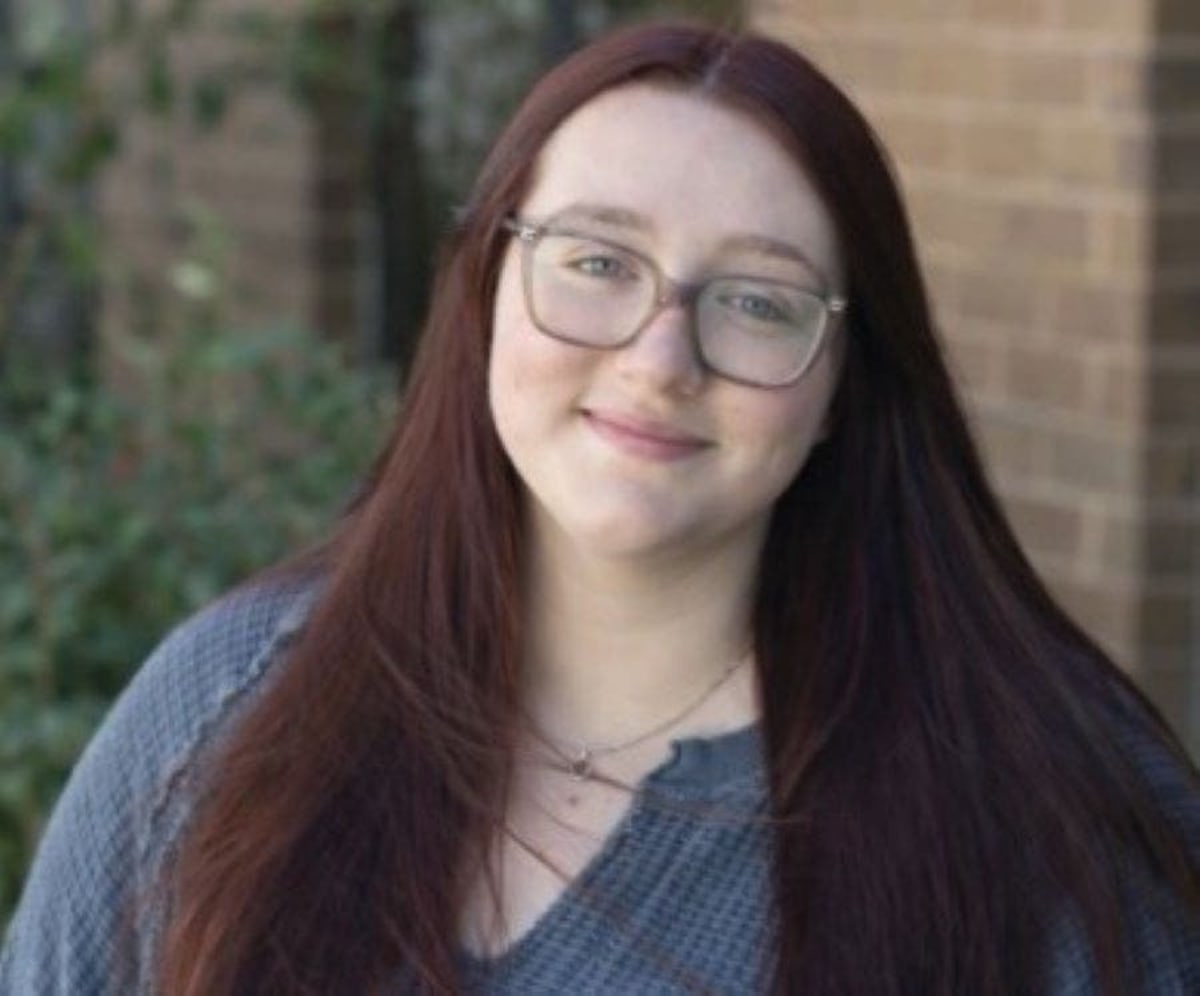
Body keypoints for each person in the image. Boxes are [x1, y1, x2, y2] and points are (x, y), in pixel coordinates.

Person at [2, 19, 1197, 996]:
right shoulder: (222, 711)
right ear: (485, 297)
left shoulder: (1048, 817)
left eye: (760, 303)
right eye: (595, 262)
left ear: (843, 385)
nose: (659, 357)